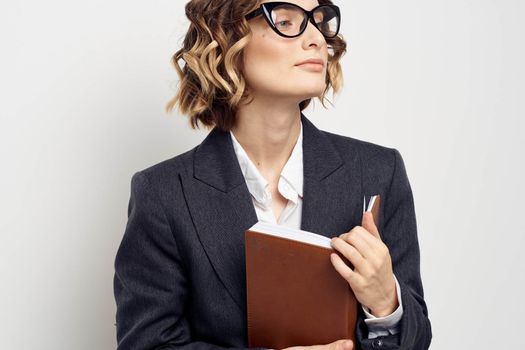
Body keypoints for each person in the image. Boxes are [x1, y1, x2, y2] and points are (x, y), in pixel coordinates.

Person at [113, 0, 432, 349]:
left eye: (319, 21)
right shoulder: (163, 194)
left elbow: (416, 338)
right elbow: (147, 344)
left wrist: (386, 303)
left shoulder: (378, 172)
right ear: (226, 38)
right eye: (285, 20)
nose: (315, 38)